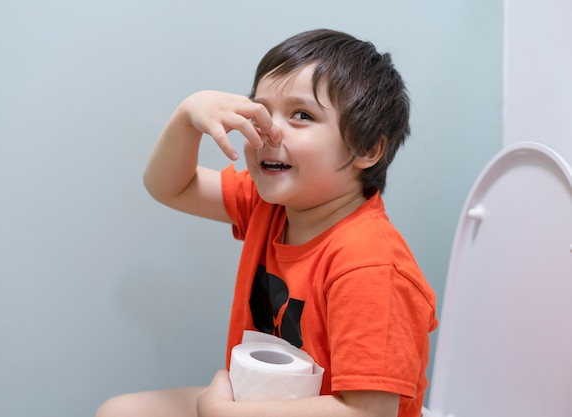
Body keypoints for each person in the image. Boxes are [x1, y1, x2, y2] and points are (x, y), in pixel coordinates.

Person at [96, 28, 437, 417]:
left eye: (302, 115)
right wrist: (186, 116)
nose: (268, 131)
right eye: (260, 111)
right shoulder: (270, 205)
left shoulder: (371, 266)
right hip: (260, 403)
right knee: (118, 411)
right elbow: (170, 186)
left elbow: (368, 412)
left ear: (367, 148)